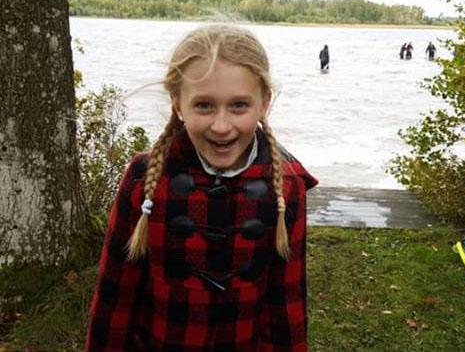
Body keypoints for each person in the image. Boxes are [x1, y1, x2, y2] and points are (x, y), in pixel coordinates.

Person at [85, 24, 318, 351]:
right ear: (178, 104)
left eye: (239, 105)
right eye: (204, 105)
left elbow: (287, 308)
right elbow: (114, 301)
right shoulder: (145, 177)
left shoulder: (286, 185)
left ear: (264, 102)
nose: (221, 126)